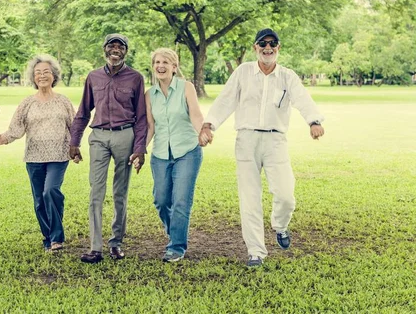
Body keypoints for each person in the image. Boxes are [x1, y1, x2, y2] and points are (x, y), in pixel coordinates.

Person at [199, 28, 325, 267]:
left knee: (286, 195)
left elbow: (302, 98)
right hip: (246, 140)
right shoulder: (243, 72)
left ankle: (280, 226)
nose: (268, 48)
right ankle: (255, 251)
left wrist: (314, 121)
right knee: (250, 197)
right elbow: (225, 99)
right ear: (255, 47)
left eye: (272, 44)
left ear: (278, 47)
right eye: (263, 44)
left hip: (275, 140)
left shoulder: (287, 76)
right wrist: (209, 125)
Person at [70, 33, 148, 264]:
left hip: (125, 135)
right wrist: (74, 142)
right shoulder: (93, 77)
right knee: (96, 191)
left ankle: (116, 242)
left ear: (125, 51)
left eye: (120, 46)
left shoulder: (135, 78)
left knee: (120, 192)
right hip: (99, 137)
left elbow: (142, 116)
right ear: (104, 50)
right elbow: (83, 111)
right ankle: (95, 247)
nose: (115, 49)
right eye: (111, 46)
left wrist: (140, 147)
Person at [0, 55, 75, 252]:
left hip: (59, 156)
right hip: (34, 157)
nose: (42, 76)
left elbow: (74, 126)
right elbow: (15, 129)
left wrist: (75, 149)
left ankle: (56, 238)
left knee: (50, 191)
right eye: (38, 73)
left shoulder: (63, 101)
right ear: (33, 78)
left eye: (46, 72)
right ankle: (48, 237)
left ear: (54, 76)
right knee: (39, 200)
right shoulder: (27, 103)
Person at [145, 48, 204, 263]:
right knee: (161, 200)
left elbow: (196, 115)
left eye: (165, 62)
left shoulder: (186, 87)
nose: (160, 66)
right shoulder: (149, 94)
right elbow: (150, 126)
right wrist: (139, 149)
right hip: (160, 154)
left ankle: (176, 246)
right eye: (157, 62)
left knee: (181, 201)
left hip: (187, 151)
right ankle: (174, 231)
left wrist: (203, 132)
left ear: (174, 67)